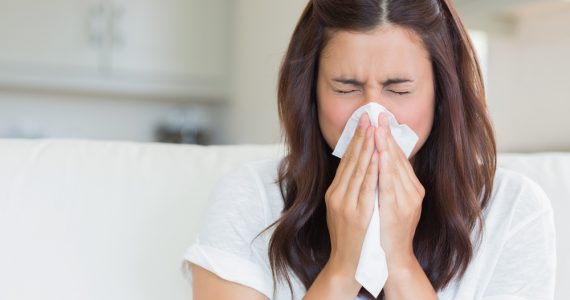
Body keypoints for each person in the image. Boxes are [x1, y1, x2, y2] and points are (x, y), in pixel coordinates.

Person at [181, 0, 557, 299]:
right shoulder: (248, 198)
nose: (372, 116)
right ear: (310, 93)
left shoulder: (513, 209)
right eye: (346, 88)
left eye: (399, 90)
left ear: (442, 94)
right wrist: (344, 268)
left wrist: (399, 261)